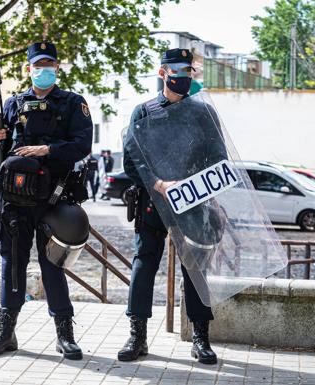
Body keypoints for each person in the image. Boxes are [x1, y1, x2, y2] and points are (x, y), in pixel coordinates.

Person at [0, 42, 93, 360]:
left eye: (50, 65)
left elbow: (82, 144)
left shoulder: (72, 103)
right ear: (28, 69)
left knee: (52, 266)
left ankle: (65, 334)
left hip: (53, 197)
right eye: (38, 65)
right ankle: (6, 332)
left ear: (57, 69)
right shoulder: (14, 104)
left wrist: (47, 150)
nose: (44, 70)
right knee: (13, 266)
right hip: (15, 201)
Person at [119, 48, 217, 364]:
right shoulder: (143, 112)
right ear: (162, 73)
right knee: (144, 264)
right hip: (153, 202)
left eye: (188, 71)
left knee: (196, 270)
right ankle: (137, 336)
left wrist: (193, 184)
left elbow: (218, 158)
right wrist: (158, 184)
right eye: (177, 71)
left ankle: (201, 338)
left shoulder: (202, 114)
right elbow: (132, 161)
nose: (183, 77)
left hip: (192, 202)